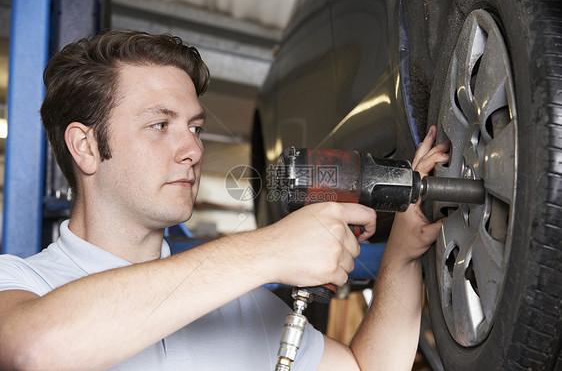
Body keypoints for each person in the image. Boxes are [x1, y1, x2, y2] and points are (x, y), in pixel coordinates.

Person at [0, 30, 449, 370]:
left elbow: (366, 367)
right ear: (86, 147)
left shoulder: (240, 305)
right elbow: (33, 348)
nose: (193, 150)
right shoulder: (21, 283)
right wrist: (270, 248)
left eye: (195, 128)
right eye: (160, 125)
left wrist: (403, 254)